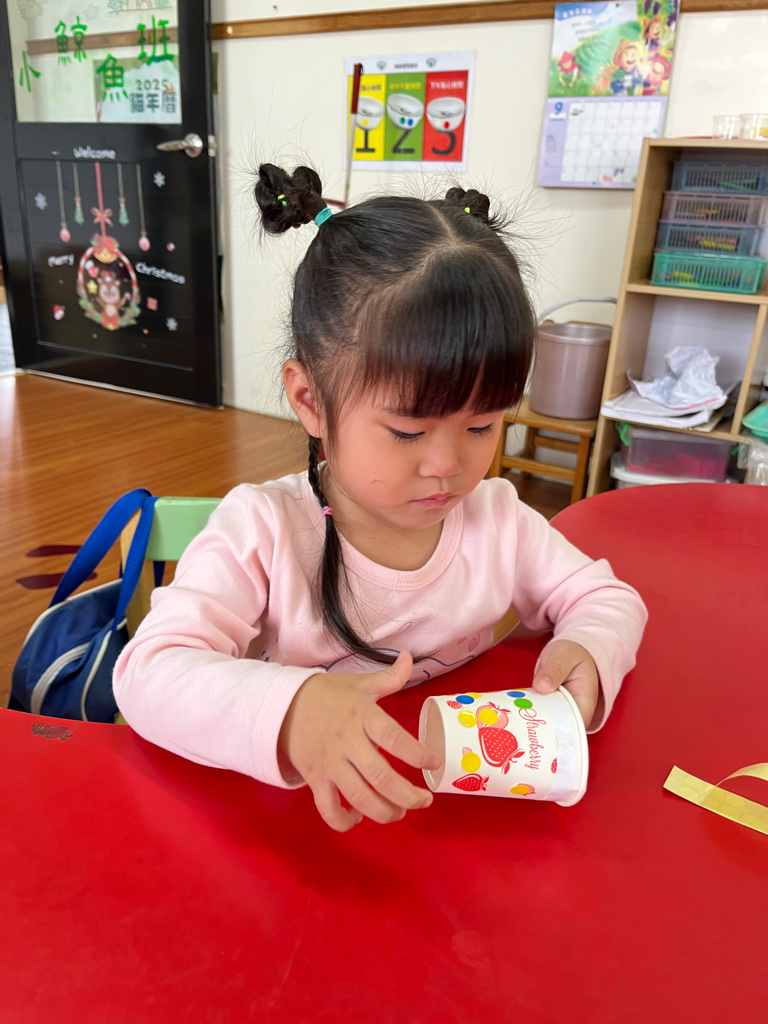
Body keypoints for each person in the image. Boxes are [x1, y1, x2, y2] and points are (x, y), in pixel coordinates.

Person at [113, 164, 647, 832]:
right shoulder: (262, 530)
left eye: (482, 425)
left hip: (444, 819)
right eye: (407, 431)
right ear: (311, 400)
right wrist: (293, 710)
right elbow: (148, 673)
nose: (448, 466)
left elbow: (608, 599)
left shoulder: (499, 519)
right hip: (298, 821)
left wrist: (591, 648)